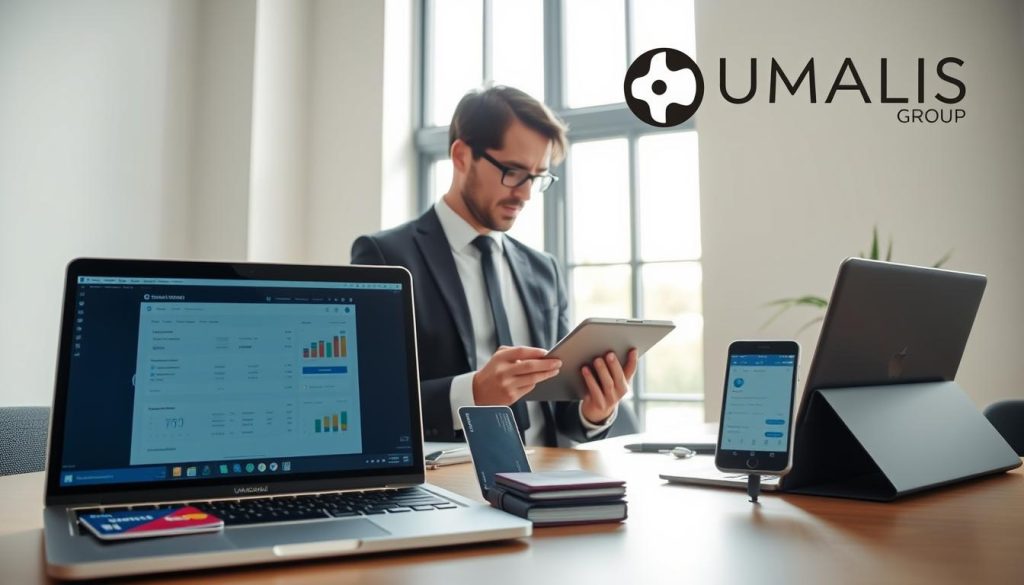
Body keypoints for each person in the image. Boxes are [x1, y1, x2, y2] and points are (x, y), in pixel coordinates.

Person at [351, 85, 637, 446]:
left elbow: (563, 414)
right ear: (461, 156)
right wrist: (470, 393)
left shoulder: (543, 270)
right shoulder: (385, 256)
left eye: (537, 177)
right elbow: (369, 398)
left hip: (550, 472)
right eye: (513, 172)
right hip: (453, 474)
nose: (525, 193)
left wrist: (594, 410)